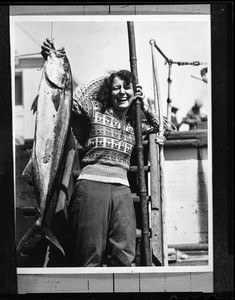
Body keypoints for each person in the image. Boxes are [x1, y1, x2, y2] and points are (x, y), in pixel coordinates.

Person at [41, 38, 170, 267]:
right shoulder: (96, 111)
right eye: (116, 88)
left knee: (124, 253)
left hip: (122, 190)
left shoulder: (134, 125)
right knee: (89, 254)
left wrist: (142, 105)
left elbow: (161, 127)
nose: (122, 92)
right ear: (108, 92)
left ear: (134, 92)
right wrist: (51, 63)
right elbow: (67, 102)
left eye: (127, 88)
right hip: (91, 186)